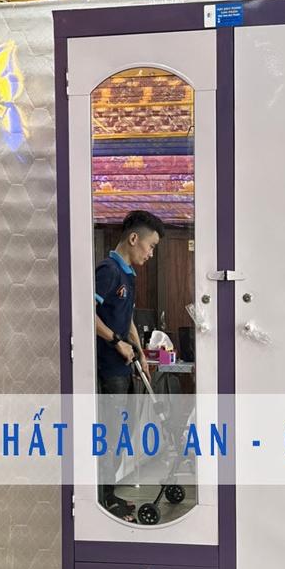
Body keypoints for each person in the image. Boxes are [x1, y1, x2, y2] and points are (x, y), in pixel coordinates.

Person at [94, 210, 164, 520]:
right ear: (134, 239)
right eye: (151, 246)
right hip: (108, 367)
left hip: (125, 366)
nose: (150, 253)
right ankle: (101, 500)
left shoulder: (129, 275)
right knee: (109, 436)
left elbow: (128, 319)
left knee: (121, 433)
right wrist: (115, 342)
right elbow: (84, 314)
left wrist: (140, 352)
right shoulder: (108, 271)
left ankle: (109, 494)